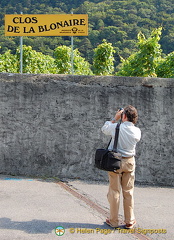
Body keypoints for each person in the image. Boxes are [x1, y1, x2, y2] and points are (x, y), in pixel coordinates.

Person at [101, 105, 141, 229]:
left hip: (115, 161)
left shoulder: (116, 127)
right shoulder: (137, 131)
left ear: (123, 116)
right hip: (129, 162)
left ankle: (113, 220)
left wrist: (115, 118)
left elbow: (104, 129)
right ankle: (129, 220)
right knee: (128, 192)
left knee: (114, 192)